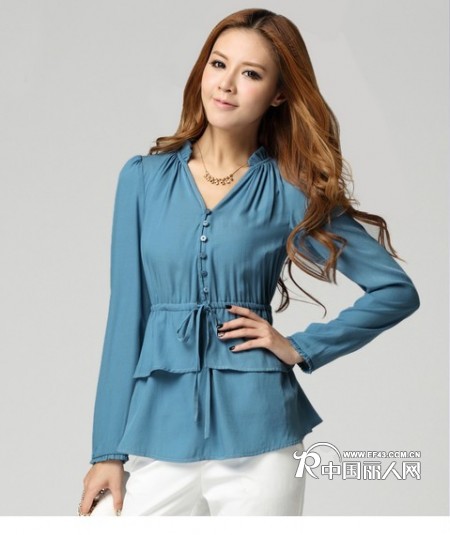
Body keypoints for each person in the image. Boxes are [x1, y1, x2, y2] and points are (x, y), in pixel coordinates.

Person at [78, 7, 420, 516]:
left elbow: (396, 291)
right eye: (219, 64)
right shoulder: (143, 181)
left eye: (251, 74)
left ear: (278, 93)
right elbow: (126, 316)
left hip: (262, 444)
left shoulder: (288, 190)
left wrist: (300, 347)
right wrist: (107, 451)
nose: (227, 84)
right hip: (159, 433)